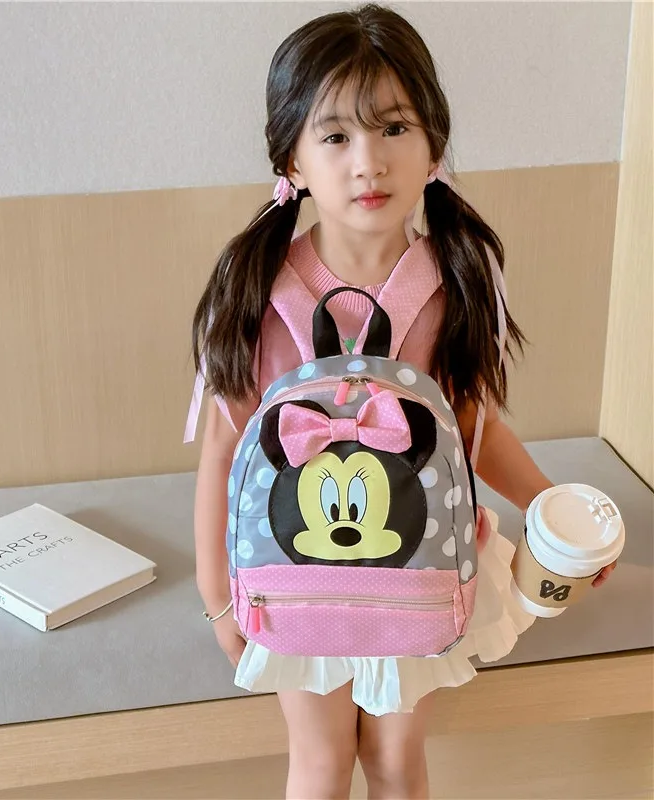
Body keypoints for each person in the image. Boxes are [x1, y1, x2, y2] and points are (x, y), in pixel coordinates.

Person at [188, 5, 617, 798]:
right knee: (320, 762)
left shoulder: (454, 282)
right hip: (292, 572)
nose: (369, 163)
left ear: (433, 144)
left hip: (419, 565)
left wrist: (550, 507)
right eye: (335, 136)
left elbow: (474, 427)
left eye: (393, 128)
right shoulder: (256, 289)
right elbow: (223, 450)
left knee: (395, 760)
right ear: (291, 158)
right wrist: (220, 601)